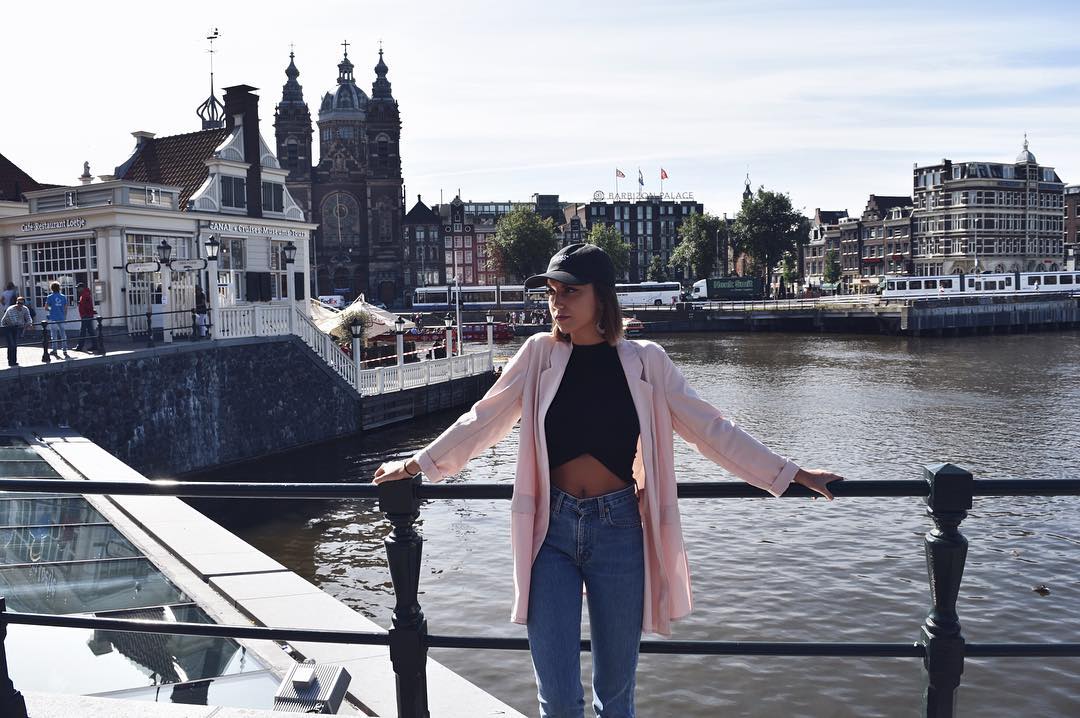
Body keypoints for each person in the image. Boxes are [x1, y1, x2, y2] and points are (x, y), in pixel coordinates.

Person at [374, 243, 843, 717]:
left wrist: (789, 473)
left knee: (616, 699)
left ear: (603, 296)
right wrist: (414, 466)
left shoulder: (646, 361)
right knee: (557, 698)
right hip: (549, 532)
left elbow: (711, 428)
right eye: (551, 292)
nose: (557, 303)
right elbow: (483, 419)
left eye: (570, 292)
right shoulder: (538, 355)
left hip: (619, 531)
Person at [0, 296, 32, 367]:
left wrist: (28, 323)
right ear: (16, 302)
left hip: (16, 327)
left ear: (23, 304)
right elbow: (13, 321)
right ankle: (10, 361)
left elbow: (29, 318)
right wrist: (24, 324)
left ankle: (14, 361)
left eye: (21, 303)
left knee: (14, 344)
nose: (19, 305)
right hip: (7, 327)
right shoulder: (11, 309)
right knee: (11, 344)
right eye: (18, 303)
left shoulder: (25, 309)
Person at [44, 282, 70, 359]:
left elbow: (46, 307)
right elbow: (65, 308)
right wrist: (65, 317)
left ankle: (54, 350)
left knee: (54, 335)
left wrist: (51, 310)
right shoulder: (63, 297)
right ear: (59, 288)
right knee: (63, 334)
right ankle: (65, 350)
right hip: (61, 317)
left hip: (53, 317)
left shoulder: (50, 297)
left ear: (51, 288)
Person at [74, 283, 95, 352]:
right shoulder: (85, 294)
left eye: (78, 288)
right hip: (87, 314)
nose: (77, 289)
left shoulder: (85, 295)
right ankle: (95, 345)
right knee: (90, 331)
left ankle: (80, 346)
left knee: (83, 331)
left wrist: (85, 312)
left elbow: (86, 305)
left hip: (86, 315)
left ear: (81, 288)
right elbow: (87, 304)